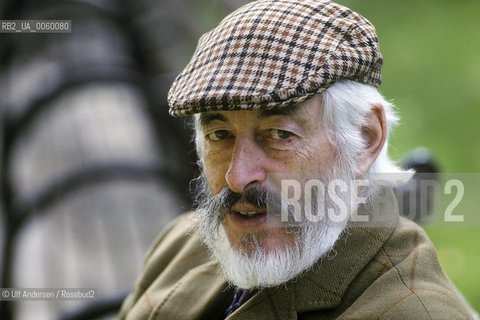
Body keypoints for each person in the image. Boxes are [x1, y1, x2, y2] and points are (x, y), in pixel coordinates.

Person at [119, 0, 477, 319]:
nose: (237, 177)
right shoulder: (182, 245)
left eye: (279, 135)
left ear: (366, 138)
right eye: (220, 136)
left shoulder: (415, 312)